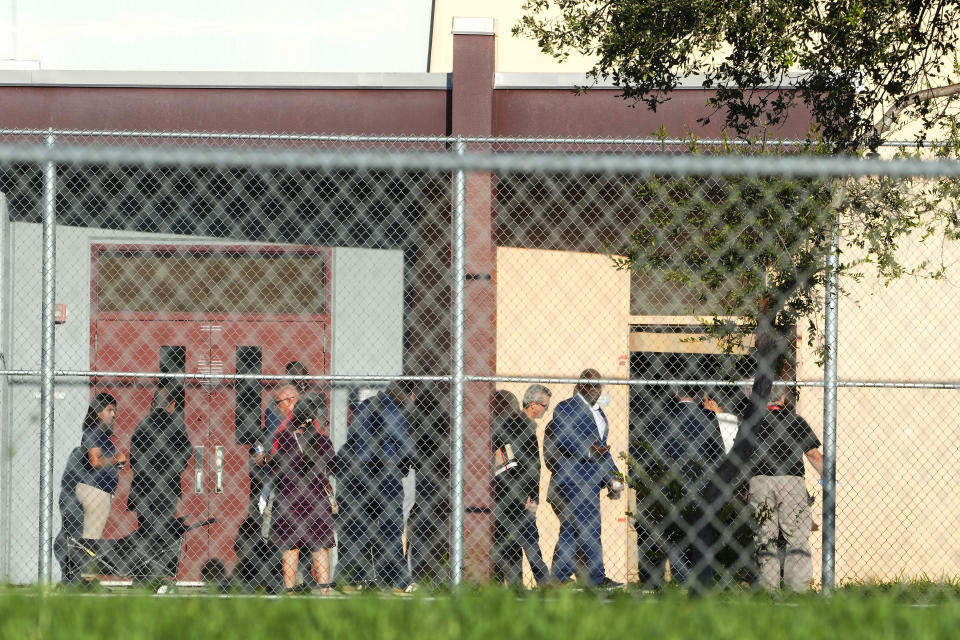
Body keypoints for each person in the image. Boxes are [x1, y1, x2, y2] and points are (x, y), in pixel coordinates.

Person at [633, 384, 724, 587]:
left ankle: (680, 581)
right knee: (701, 532)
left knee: (675, 534)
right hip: (702, 485)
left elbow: (650, 455)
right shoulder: (709, 419)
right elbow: (719, 453)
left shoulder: (661, 420)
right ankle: (700, 581)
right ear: (698, 395)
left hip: (670, 486)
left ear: (675, 394)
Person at [336, 380, 417, 591]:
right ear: (402, 394)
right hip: (384, 474)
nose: (411, 401)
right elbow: (404, 443)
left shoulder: (365, 405)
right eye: (410, 396)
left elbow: (353, 436)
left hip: (358, 474)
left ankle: (350, 581)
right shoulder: (394, 410)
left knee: (358, 527)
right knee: (391, 528)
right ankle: (399, 583)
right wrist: (412, 458)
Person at [748, 386, 824, 592]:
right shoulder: (795, 421)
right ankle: (797, 591)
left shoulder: (753, 422)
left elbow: (741, 456)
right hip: (791, 480)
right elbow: (813, 455)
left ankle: (768, 590)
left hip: (760, 480)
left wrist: (743, 486)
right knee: (797, 538)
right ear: (783, 398)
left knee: (765, 538)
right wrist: (829, 477)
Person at [550, 369, 621, 587]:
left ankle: (558, 579)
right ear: (580, 386)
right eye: (591, 386)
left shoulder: (600, 412)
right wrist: (589, 452)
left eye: (598, 386)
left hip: (591, 480)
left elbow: (603, 449)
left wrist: (613, 477)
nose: (596, 390)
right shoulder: (565, 407)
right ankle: (597, 579)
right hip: (573, 478)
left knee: (571, 529)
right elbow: (562, 438)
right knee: (591, 526)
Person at [270, 393, 336, 594]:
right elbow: (334, 466)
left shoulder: (284, 440)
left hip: (290, 500)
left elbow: (274, 469)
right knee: (319, 547)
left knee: (291, 548)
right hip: (316, 499)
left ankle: (289, 592)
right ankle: (324, 592)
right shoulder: (323, 442)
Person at [127, 384, 192, 579]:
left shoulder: (143, 424)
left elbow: (134, 459)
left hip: (143, 489)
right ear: (172, 404)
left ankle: (144, 575)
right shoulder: (176, 425)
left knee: (145, 532)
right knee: (164, 534)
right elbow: (186, 453)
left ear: (153, 403)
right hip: (167, 490)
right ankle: (164, 577)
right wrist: (175, 469)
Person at [491, 385, 552, 586]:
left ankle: (515, 586)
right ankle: (543, 582)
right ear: (533, 405)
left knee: (513, 543)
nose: (546, 409)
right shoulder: (518, 426)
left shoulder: (520, 425)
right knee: (527, 540)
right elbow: (519, 466)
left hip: (509, 494)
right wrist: (530, 497)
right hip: (516, 496)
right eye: (545, 405)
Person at [76, 393, 128, 540]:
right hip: (95, 492)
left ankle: (84, 560)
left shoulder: (100, 433)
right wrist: (115, 459)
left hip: (98, 491)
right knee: (91, 539)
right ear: (98, 411)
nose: (114, 414)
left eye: (114, 410)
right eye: (110, 410)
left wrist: (115, 463)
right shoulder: (94, 432)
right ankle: (84, 562)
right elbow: (94, 461)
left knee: (91, 537)